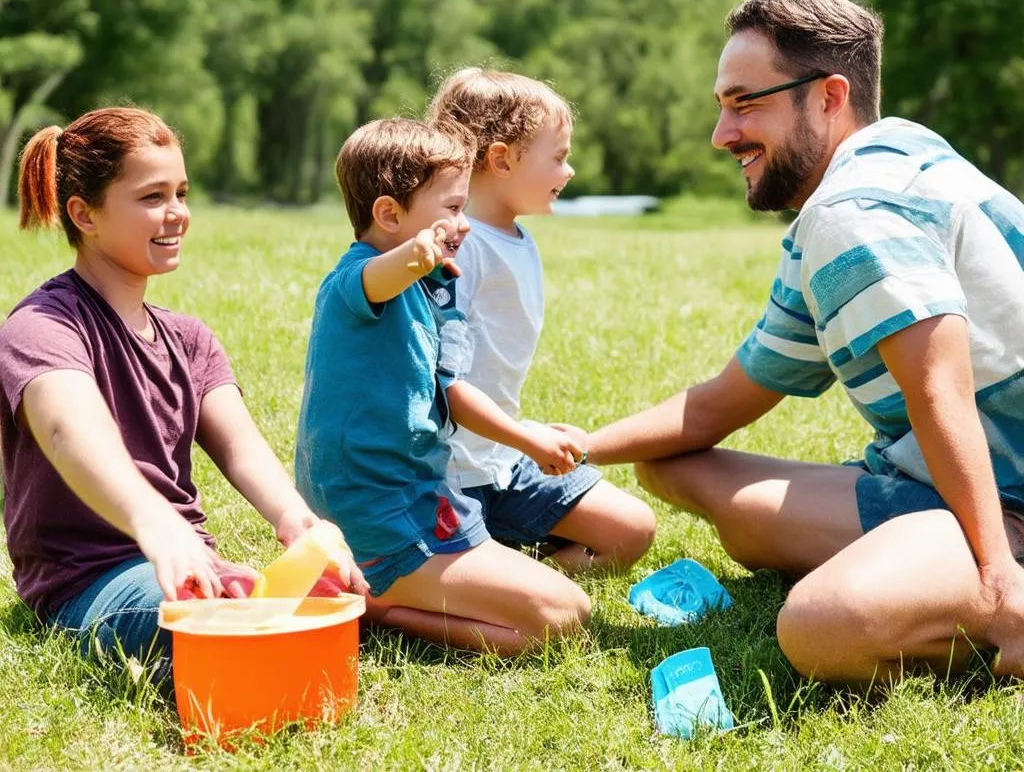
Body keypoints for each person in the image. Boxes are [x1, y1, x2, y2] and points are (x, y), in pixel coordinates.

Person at [584, 0, 1024, 684]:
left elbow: (941, 389)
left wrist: (999, 578)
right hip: (953, 482)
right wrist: (570, 446)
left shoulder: (855, 209)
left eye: (744, 103)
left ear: (828, 96)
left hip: (1008, 502)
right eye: (722, 106)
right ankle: (928, 561)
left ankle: (984, 580)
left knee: (821, 627)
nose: (721, 135)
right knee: (670, 462)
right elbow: (722, 402)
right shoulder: (884, 167)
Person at [0, 107, 364, 679]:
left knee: (314, 604)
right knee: (237, 644)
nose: (176, 215)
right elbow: (68, 429)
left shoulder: (189, 339)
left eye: (181, 193)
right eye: (152, 197)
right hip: (88, 580)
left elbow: (242, 450)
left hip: (187, 561)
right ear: (84, 214)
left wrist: (303, 525)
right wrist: (156, 523)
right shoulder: (42, 327)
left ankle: (244, 603)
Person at [295, 116, 592, 655]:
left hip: (419, 492)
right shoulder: (359, 280)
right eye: (452, 210)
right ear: (388, 214)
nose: (465, 224)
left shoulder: (430, 284)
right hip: (374, 508)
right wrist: (421, 253)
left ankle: (392, 593)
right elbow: (381, 277)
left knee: (563, 615)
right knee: (559, 618)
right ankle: (374, 604)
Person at [426, 68, 655, 572]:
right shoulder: (456, 252)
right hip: (446, 476)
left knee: (632, 530)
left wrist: (521, 434)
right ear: (502, 159)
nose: (569, 170)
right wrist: (525, 437)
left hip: (503, 461)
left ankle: (520, 559)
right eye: (558, 157)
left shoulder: (516, 238)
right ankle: (502, 563)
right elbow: (445, 384)